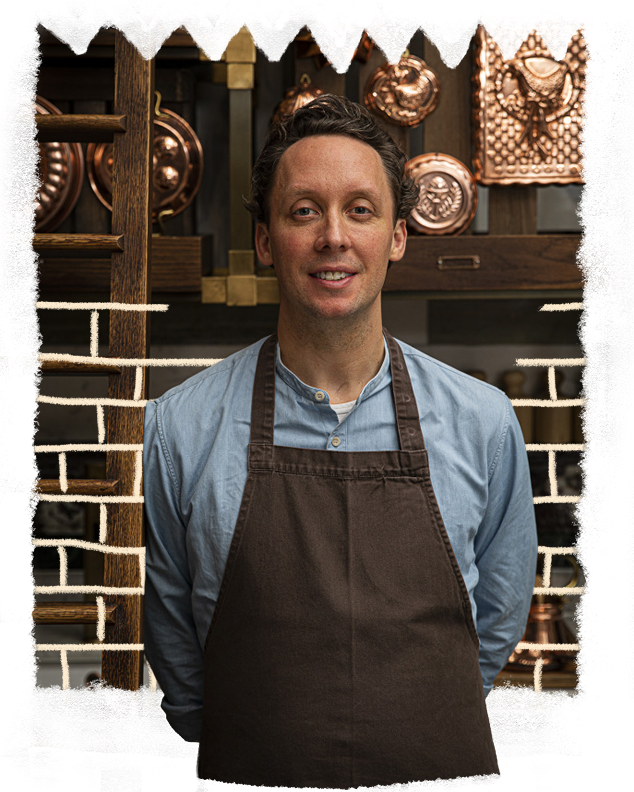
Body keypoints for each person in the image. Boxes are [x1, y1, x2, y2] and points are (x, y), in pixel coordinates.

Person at [143, 93, 538, 789]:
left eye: (361, 209)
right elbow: (172, 633)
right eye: (303, 211)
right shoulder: (181, 427)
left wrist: (416, 715)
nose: (334, 237)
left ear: (397, 235)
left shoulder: (483, 420)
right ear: (266, 240)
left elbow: (499, 617)